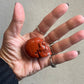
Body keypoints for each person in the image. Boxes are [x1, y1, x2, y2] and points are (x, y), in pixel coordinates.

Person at [0, 2, 84, 84]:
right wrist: (8, 66)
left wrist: (6, 70)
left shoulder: (42, 49)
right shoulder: (37, 48)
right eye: (43, 46)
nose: (45, 47)